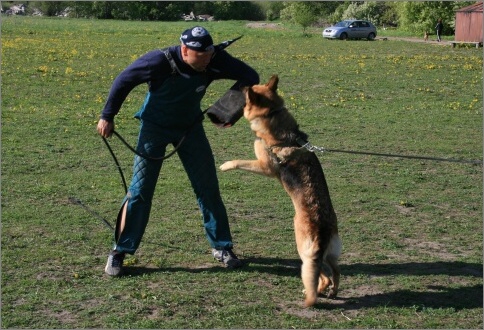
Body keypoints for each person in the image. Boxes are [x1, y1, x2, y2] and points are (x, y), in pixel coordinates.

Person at [97, 26, 259, 276]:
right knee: (140, 191)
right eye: (201, 57)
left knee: (208, 187)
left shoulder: (214, 60)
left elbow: (250, 76)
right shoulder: (157, 61)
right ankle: (120, 251)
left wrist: (224, 111)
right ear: (185, 50)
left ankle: (222, 247)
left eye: (209, 56)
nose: (206, 62)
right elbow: (124, 79)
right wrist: (107, 116)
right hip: (154, 128)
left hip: (190, 130)